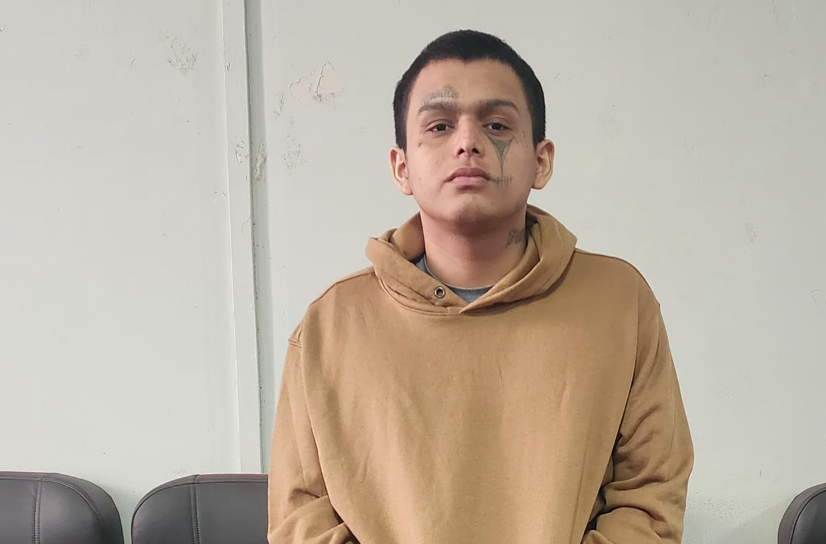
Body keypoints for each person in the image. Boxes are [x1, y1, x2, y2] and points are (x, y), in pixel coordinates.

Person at [267, 29, 693, 544]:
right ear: (402, 167)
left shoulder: (619, 303)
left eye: (496, 125)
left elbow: (650, 498)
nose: (467, 142)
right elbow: (300, 517)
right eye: (440, 126)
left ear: (541, 160)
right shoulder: (330, 326)